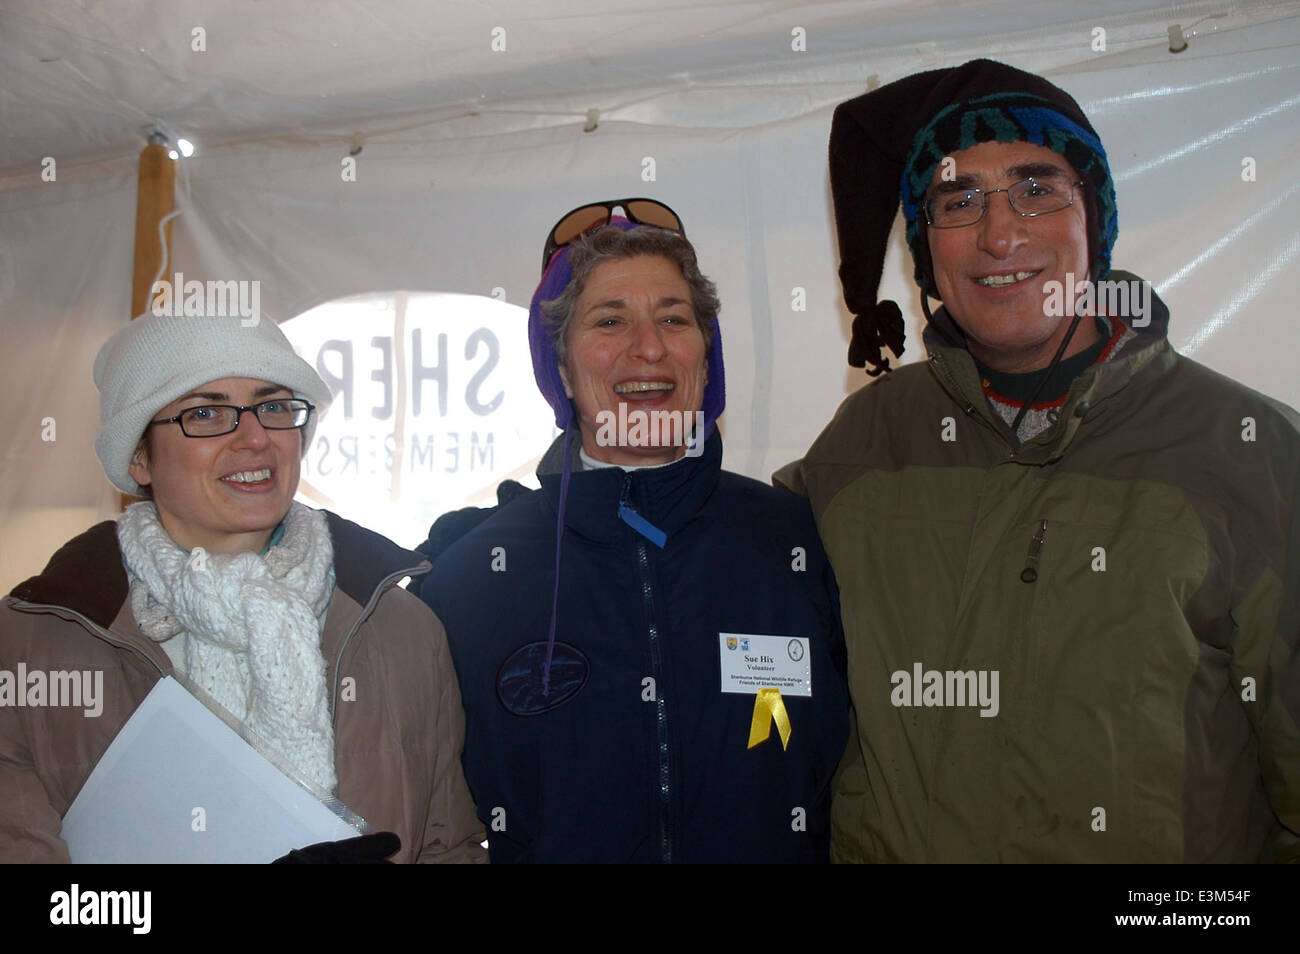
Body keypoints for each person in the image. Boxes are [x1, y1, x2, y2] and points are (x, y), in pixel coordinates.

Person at [776, 59, 1299, 863]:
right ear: (922, 248)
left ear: (1094, 220)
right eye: (957, 200)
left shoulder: (1256, 455)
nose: (1000, 233)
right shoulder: (861, 446)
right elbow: (724, 603)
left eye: (1037, 187)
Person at [418, 200, 849, 862]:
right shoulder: (471, 577)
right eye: (609, 321)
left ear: (708, 361)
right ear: (561, 368)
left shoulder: (800, 545)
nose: (648, 347)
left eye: (674, 319)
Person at [0, 313, 485, 863]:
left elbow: (452, 847)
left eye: (275, 406)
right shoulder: (26, 649)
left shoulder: (400, 628)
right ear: (138, 456)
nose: (254, 438)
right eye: (206, 413)